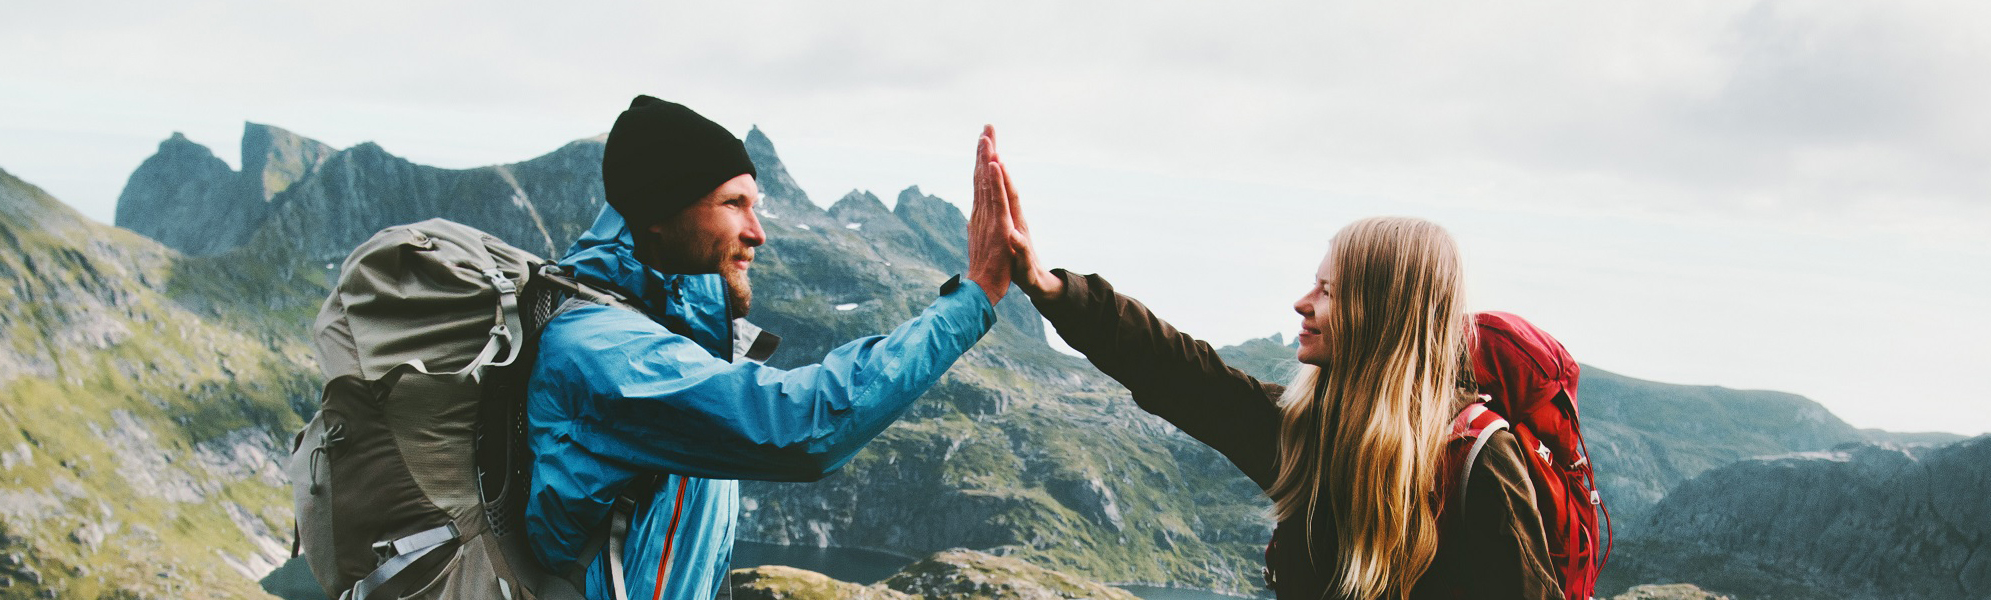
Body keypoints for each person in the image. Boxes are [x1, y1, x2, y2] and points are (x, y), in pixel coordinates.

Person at [972, 129, 1563, 600]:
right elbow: (1177, 372)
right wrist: (1049, 289)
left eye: (1330, 291)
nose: (1303, 303)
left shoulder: (1478, 468)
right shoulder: (1308, 430)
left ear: (1384, 313)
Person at [522, 96, 1013, 600]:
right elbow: (800, 426)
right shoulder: (602, 352)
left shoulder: (671, 336)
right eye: (733, 204)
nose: (758, 232)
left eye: (754, 205)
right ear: (658, 214)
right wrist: (972, 298)